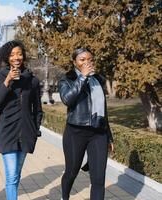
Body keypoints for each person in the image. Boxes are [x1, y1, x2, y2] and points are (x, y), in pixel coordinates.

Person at [0, 40, 43, 200]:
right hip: (7, 132)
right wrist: (7, 82)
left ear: (23, 56)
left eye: (19, 54)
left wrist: (35, 129)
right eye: (12, 55)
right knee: (12, 174)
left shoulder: (32, 80)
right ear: (7, 57)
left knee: (17, 173)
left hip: (26, 133)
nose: (16, 57)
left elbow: (38, 109)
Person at [58, 48, 114, 200]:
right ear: (75, 62)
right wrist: (82, 77)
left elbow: (103, 109)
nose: (86, 62)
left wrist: (109, 136)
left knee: (98, 178)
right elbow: (67, 100)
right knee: (72, 172)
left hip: (98, 133)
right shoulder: (67, 79)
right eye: (82, 60)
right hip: (76, 132)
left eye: (89, 59)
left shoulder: (98, 80)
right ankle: (65, 196)